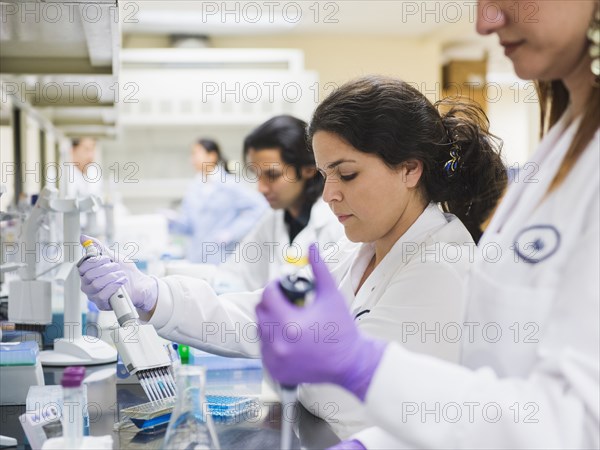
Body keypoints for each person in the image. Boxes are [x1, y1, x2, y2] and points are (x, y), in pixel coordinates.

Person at [256, 2, 600, 449]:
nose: (484, 20)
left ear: (410, 169)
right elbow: (485, 392)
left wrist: (364, 367)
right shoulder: (563, 144)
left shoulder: (441, 260)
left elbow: (574, 424)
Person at [77, 82, 506, 437]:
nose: (332, 193)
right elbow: (261, 313)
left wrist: (301, 355)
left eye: (348, 173)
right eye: (326, 175)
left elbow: (353, 401)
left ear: (410, 169)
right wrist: (154, 295)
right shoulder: (359, 246)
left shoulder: (440, 263)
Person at [214, 114, 345, 292]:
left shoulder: (336, 223)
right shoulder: (271, 221)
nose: (261, 188)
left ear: (308, 170)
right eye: (256, 175)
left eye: (272, 175)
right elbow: (234, 274)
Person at [169, 138, 268, 265]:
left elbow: (260, 207)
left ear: (212, 156)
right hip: (195, 257)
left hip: (221, 257)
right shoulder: (193, 187)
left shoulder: (230, 184)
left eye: (196, 154)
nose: (191, 159)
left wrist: (232, 232)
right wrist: (173, 220)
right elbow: (189, 225)